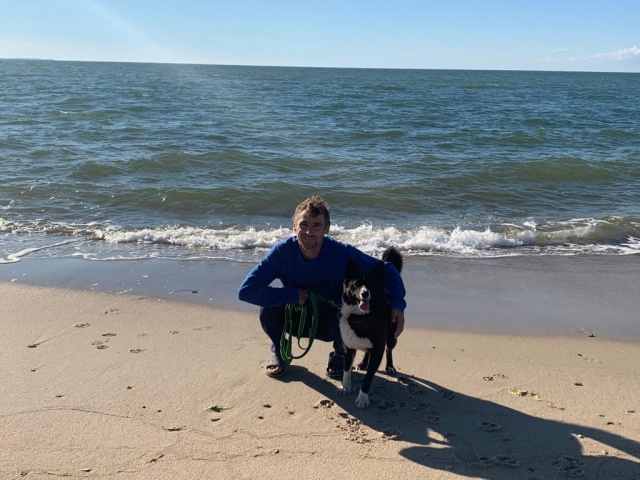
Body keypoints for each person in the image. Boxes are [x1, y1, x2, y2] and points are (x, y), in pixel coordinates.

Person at [238, 195, 406, 378]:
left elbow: (387, 269)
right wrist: (290, 294)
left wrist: (397, 304)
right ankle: (281, 352)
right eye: (303, 224)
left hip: (333, 321)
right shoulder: (281, 253)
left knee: (355, 310)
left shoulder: (341, 252)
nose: (309, 232)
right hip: (297, 317)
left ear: (327, 229)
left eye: (316, 225)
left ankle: (340, 355)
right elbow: (246, 291)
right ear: (294, 226)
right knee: (267, 310)